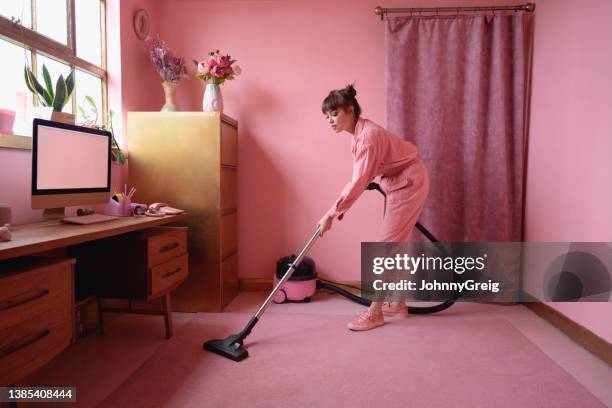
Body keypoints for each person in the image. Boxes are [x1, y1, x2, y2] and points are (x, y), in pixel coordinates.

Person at [318, 84, 430, 331]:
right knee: (396, 244)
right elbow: (364, 174)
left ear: (350, 110)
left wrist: (331, 214)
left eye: (335, 114)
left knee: (386, 246)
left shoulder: (367, 137)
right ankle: (398, 302)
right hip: (396, 181)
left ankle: (375, 312)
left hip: (408, 182)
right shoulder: (359, 135)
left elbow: (358, 181)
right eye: (327, 116)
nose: (330, 120)